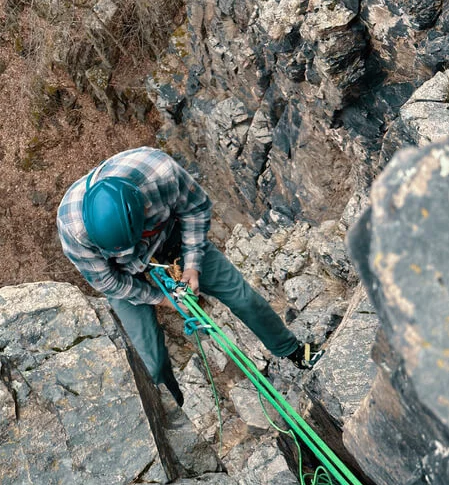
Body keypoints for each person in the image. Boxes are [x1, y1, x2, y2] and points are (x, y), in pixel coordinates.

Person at [57, 147, 322, 406]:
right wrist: (165, 300)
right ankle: (170, 407)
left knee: (243, 298)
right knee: (151, 360)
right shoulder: (73, 230)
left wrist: (192, 266)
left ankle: (293, 350)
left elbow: (195, 209)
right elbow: (109, 282)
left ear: (143, 208)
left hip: (169, 237)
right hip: (122, 271)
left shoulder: (161, 174)